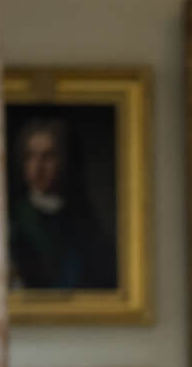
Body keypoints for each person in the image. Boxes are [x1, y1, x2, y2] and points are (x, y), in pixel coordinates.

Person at [8, 115, 115, 291]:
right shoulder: (13, 217)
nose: (37, 166)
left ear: (64, 160)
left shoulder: (85, 220)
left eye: (48, 157)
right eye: (30, 156)